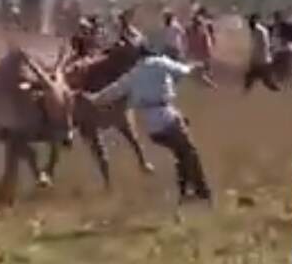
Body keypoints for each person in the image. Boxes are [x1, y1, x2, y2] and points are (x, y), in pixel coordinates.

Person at [89, 44, 215, 202]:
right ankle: (201, 193)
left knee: (182, 153)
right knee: (189, 151)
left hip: (148, 125)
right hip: (164, 116)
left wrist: (93, 98)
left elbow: (113, 91)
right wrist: (198, 67)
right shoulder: (159, 62)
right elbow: (185, 71)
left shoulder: (133, 73)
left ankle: (185, 192)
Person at [245, 13, 280, 92]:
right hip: (263, 59)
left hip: (261, 59)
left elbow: (263, 45)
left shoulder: (259, 31)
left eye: (251, 21)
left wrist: (255, 59)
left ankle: (242, 97)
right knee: (264, 80)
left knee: (251, 78)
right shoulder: (259, 30)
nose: (249, 24)